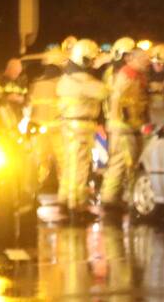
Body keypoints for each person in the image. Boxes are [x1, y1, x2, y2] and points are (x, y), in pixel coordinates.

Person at [56, 39, 107, 220]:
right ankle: (76, 206)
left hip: (69, 126)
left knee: (70, 165)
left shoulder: (66, 78)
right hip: (81, 127)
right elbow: (104, 91)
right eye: (92, 60)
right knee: (80, 167)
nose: (94, 63)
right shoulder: (83, 80)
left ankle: (65, 201)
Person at [100, 49, 151, 212]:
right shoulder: (127, 75)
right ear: (133, 60)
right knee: (124, 164)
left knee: (123, 164)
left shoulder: (136, 75)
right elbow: (119, 100)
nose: (147, 63)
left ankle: (113, 198)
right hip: (123, 128)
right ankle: (114, 200)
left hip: (128, 128)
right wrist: (129, 119)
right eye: (144, 60)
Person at [28, 48, 65, 195]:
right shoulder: (62, 84)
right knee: (63, 161)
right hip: (58, 129)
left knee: (40, 160)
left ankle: (36, 188)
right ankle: (65, 191)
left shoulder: (37, 84)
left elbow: (30, 108)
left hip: (39, 129)